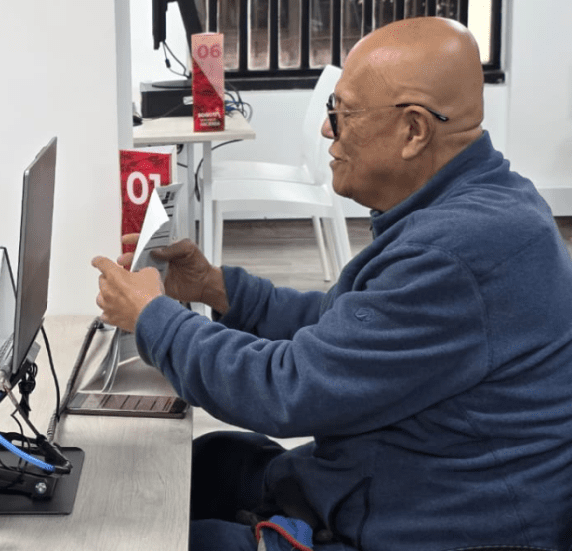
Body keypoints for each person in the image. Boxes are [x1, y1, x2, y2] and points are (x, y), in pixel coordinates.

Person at [93, 16, 572, 551]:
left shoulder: (457, 251)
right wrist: (219, 289)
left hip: (431, 526)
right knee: (213, 459)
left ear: (413, 130)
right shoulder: (482, 204)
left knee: (147, 533)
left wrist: (155, 321)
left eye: (340, 115)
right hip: (398, 480)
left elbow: (288, 389)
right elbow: (350, 325)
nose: (327, 131)